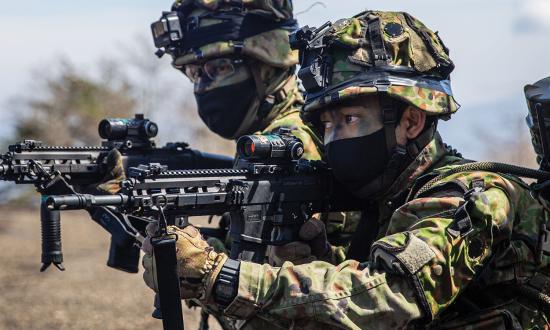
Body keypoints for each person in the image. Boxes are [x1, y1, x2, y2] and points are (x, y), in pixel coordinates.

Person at [142, 10, 550, 329]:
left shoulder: (472, 196)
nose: (333, 138)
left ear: (411, 121)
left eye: (350, 119)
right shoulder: (390, 197)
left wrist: (219, 277)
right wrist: (322, 257)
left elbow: (382, 299)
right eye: (326, 125)